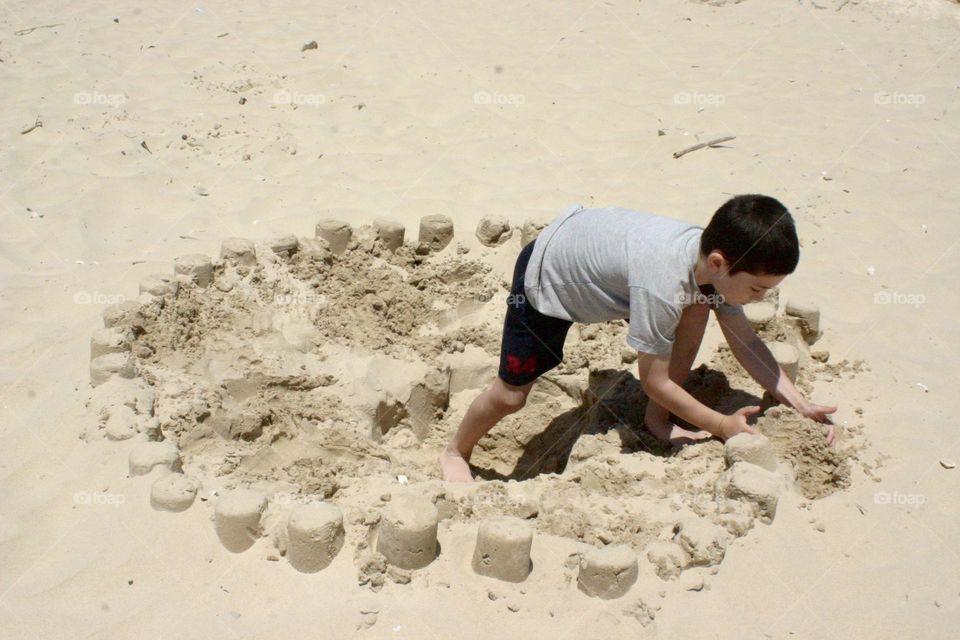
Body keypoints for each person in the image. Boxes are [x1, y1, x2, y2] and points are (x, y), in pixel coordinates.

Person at [439, 195, 837, 482]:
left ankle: (656, 418)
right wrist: (721, 425)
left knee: (699, 304)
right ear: (719, 262)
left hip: (590, 248)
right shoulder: (662, 285)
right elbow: (653, 380)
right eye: (755, 290)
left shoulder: (706, 264)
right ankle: (456, 450)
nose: (761, 299)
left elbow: (746, 342)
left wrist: (799, 403)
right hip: (547, 279)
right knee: (510, 396)